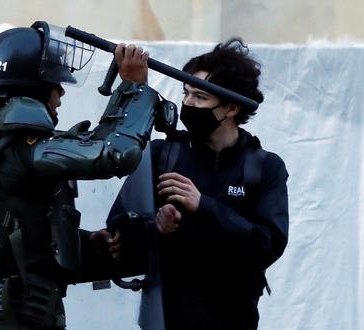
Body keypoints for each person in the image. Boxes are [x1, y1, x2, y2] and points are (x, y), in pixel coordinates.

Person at [0, 21, 161, 329]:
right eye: (57, 86)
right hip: (9, 313)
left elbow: (13, 227)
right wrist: (134, 87)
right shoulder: (16, 145)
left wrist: (82, 243)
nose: (60, 96)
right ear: (34, 88)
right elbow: (114, 154)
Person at [107, 38, 289, 329]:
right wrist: (155, 227)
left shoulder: (265, 167)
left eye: (200, 97)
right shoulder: (161, 155)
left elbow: (268, 245)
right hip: (163, 320)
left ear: (230, 108)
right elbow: (117, 233)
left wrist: (203, 205)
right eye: (186, 93)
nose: (188, 104)